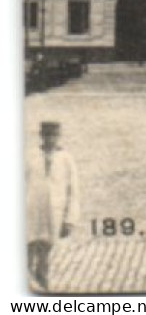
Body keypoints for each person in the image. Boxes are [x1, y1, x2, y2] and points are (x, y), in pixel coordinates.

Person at [26, 121, 80, 292]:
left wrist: (70, 219)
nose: (51, 139)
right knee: (28, 246)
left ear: (59, 136)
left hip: (54, 212)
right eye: (47, 135)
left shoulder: (66, 159)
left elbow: (73, 190)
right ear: (41, 136)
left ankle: (42, 280)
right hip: (31, 211)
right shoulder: (31, 157)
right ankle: (27, 282)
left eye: (54, 135)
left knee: (46, 248)